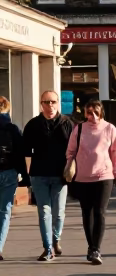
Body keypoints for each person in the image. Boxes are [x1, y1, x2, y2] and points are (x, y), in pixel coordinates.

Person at [64, 100, 116, 264]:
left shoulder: (109, 128)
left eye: (95, 112)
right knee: (87, 212)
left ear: (101, 112)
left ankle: (96, 249)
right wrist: (72, 162)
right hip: (83, 177)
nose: (93, 116)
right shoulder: (79, 128)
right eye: (89, 113)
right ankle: (91, 247)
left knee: (100, 212)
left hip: (104, 176)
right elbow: (70, 151)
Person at [22, 89, 72, 261]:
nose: (50, 105)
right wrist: (27, 174)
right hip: (39, 174)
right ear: (41, 104)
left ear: (58, 103)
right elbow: (26, 151)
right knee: (44, 211)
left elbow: (76, 149)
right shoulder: (33, 124)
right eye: (46, 102)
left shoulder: (67, 123)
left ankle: (56, 239)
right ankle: (48, 248)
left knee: (58, 212)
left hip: (61, 175)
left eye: (53, 102)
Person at [0, 97, 27, 262]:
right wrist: (23, 174)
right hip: (9, 173)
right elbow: (20, 152)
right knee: (4, 212)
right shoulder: (12, 128)